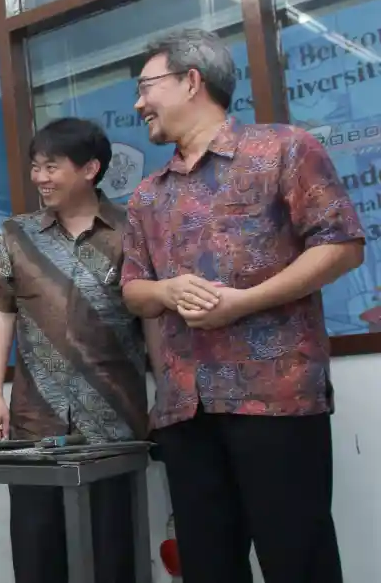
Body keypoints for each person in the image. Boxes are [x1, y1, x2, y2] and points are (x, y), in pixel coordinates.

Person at [120, 29, 364, 583]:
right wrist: (166, 291)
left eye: (146, 87)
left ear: (191, 81)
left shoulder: (283, 149)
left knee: (298, 561)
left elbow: (342, 245)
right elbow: (133, 288)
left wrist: (244, 302)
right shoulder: (148, 194)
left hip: (275, 400)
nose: (138, 104)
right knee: (208, 567)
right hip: (185, 410)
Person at [0, 118, 151, 583]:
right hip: (36, 424)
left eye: (51, 167)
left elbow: (153, 318)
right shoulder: (15, 234)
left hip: (114, 425)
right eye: (35, 167)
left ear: (90, 169)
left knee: (114, 555)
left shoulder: (132, 231)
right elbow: (1, 313)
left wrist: (167, 395)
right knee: (38, 553)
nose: (40, 178)